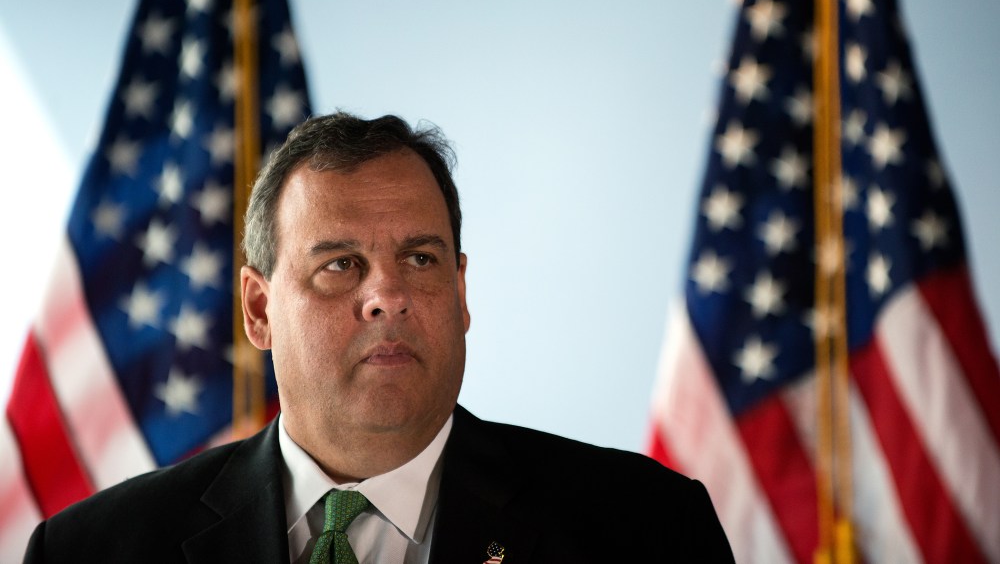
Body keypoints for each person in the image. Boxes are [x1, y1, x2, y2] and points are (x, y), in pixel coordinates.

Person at [25, 112, 734, 563]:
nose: (387, 296)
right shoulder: (91, 552)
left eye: (420, 260)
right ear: (259, 309)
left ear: (460, 293)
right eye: (340, 266)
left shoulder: (647, 530)